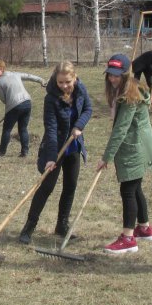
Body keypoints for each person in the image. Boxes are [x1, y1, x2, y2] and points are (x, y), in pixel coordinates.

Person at [19, 61, 92, 244]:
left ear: (74, 78)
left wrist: (79, 126)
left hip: (73, 145)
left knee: (70, 185)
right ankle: (29, 227)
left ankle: (62, 225)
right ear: (55, 80)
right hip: (55, 145)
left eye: (67, 82)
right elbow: (50, 128)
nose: (64, 86)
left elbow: (88, 109)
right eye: (60, 82)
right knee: (46, 187)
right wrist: (51, 158)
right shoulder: (51, 98)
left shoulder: (80, 89)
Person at [97, 54, 152, 254]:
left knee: (128, 190)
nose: (112, 79)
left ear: (125, 74)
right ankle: (144, 228)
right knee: (136, 187)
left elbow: (121, 129)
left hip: (134, 148)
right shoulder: (123, 91)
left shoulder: (130, 96)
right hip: (137, 145)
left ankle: (128, 238)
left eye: (116, 76)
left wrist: (106, 157)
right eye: (110, 75)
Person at [0, 60, 46, 157]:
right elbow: (29, 76)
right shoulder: (15, 74)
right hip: (27, 103)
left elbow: (3, 98)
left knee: (7, 130)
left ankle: (1, 152)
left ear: (1, 69)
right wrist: (41, 80)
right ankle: (25, 152)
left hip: (14, 106)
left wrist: (11, 108)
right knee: (23, 128)